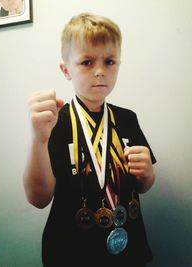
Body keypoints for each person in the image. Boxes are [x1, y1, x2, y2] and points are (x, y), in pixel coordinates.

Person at [23, 12, 156, 267]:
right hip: (71, 250)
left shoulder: (128, 119)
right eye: (86, 62)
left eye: (109, 61)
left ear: (119, 64)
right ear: (66, 70)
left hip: (129, 245)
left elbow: (143, 186)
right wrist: (38, 140)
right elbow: (38, 200)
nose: (99, 72)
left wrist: (147, 175)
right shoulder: (54, 123)